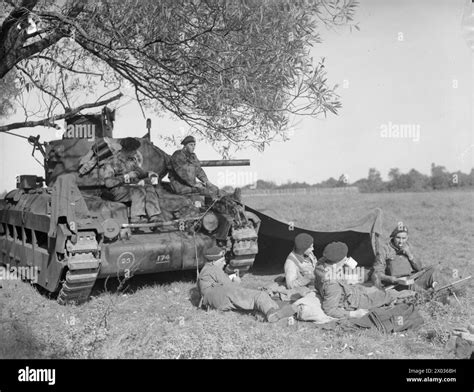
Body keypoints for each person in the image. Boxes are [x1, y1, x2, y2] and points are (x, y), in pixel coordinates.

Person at [197, 246, 296, 322]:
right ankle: (272, 313)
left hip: (212, 300)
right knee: (258, 295)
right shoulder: (214, 269)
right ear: (214, 261)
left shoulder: (206, 269)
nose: (224, 263)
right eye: (222, 261)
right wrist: (236, 282)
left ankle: (266, 313)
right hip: (220, 294)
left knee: (246, 304)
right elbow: (229, 286)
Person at [314, 242, 407, 319]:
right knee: (389, 294)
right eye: (344, 258)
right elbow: (330, 310)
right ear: (337, 261)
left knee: (373, 286)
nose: (346, 259)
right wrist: (353, 314)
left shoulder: (321, 264)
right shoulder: (332, 285)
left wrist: (341, 265)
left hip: (349, 289)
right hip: (352, 302)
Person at [98, 137, 164, 224]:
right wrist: (126, 177)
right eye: (134, 150)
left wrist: (149, 174)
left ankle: (154, 216)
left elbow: (140, 173)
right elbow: (108, 183)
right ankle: (136, 218)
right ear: (127, 150)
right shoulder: (111, 162)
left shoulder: (132, 160)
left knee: (149, 188)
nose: (136, 152)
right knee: (138, 190)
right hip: (114, 191)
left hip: (130, 188)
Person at [372, 224, 446, 292]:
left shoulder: (408, 247)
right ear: (393, 237)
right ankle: (428, 295)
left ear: (407, 238)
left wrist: (409, 254)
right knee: (417, 290)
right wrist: (392, 279)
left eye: (403, 238)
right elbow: (377, 273)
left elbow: (419, 268)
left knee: (434, 270)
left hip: (412, 279)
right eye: (398, 238)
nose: (401, 241)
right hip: (396, 285)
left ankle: (439, 291)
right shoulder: (384, 249)